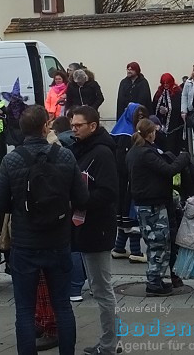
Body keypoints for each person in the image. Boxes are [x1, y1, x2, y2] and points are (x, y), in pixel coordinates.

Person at [0, 105, 89, 355]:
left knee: (24, 309)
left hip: (25, 245)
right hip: (57, 241)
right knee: (62, 306)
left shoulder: (11, 160)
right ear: (45, 126)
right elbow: (82, 197)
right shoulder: (64, 156)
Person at [69, 106, 119, 355]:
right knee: (98, 287)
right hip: (84, 226)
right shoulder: (82, 150)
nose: (74, 129)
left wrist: (80, 199)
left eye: (79, 125)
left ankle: (110, 344)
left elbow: (108, 192)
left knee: (101, 289)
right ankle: (110, 342)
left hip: (97, 228)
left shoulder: (101, 152)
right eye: (72, 125)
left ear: (93, 126)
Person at [126, 118, 189, 296]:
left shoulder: (134, 152)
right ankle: (154, 282)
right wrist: (183, 158)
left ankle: (158, 280)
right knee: (158, 243)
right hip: (152, 204)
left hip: (145, 203)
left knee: (157, 242)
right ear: (150, 133)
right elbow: (168, 170)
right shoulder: (146, 153)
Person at [110, 103, 148, 262]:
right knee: (131, 217)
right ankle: (136, 252)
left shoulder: (120, 132)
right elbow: (123, 163)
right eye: (138, 116)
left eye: (142, 116)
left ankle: (119, 248)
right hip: (128, 183)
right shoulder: (126, 135)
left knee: (123, 218)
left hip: (122, 183)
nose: (140, 119)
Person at [152, 73, 186, 156]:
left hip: (174, 125)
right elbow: (154, 105)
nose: (166, 85)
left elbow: (179, 106)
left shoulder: (177, 92)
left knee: (172, 144)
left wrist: (169, 110)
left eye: (167, 83)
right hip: (161, 123)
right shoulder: (159, 92)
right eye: (164, 83)